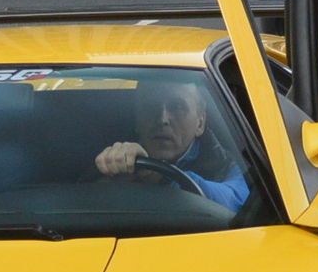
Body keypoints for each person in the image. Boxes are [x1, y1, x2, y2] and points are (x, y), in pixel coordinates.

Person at [92, 81, 247, 209]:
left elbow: (237, 201)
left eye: (177, 107)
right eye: (150, 107)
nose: (162, 119)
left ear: (200, 123)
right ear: (137, 121)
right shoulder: (108, 157)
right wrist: (108, 181)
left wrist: (165, 179)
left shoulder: (230, 164)